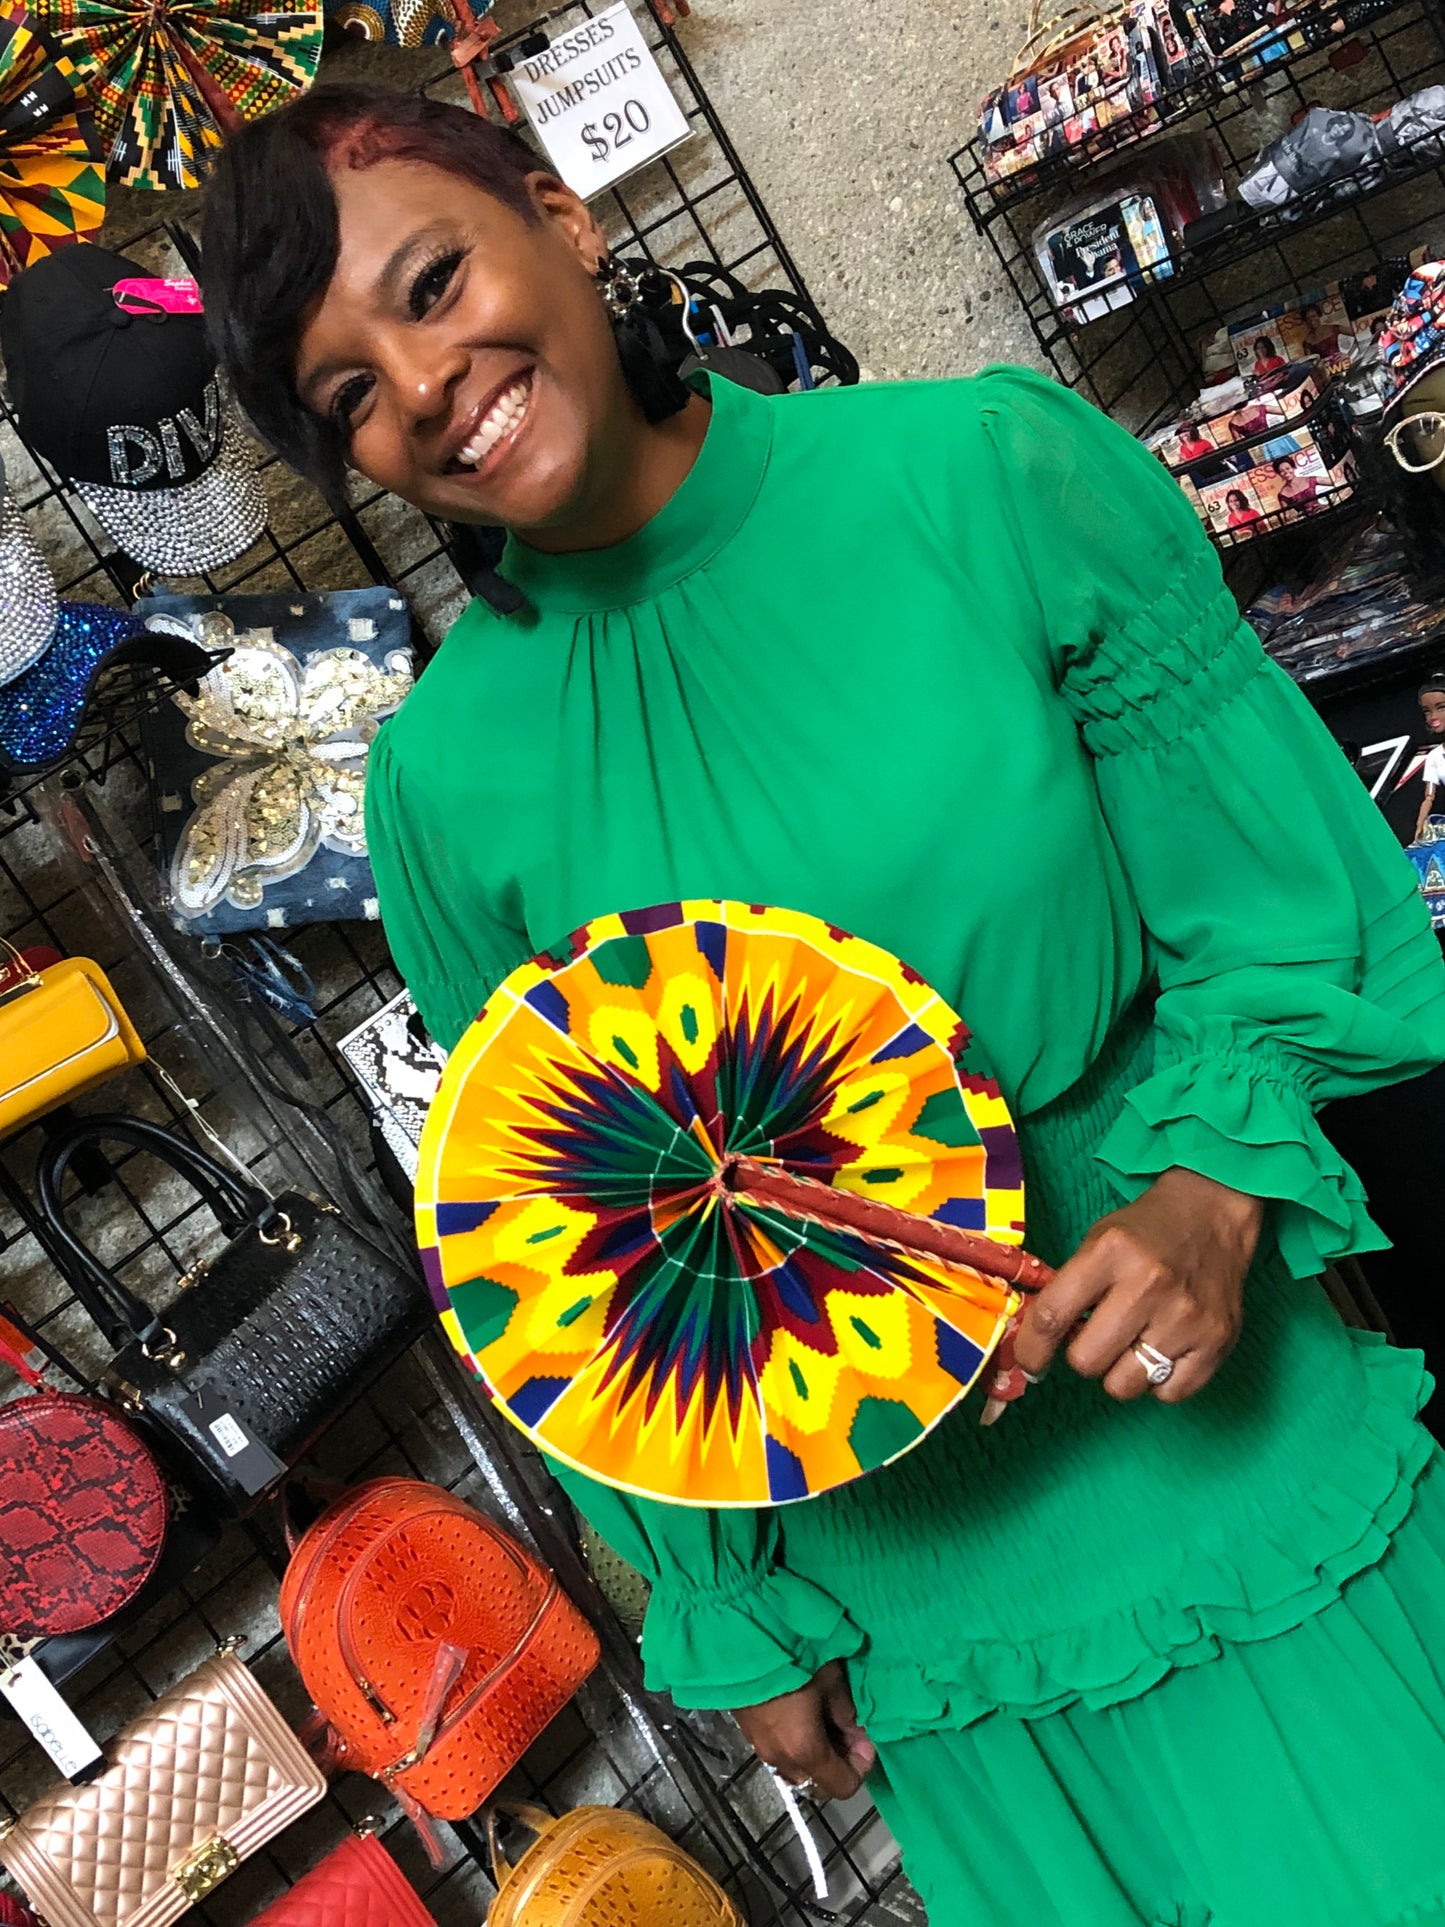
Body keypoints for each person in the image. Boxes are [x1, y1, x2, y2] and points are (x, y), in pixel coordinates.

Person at [202, 84, 1445, 1927]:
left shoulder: (979, 476)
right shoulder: (444, 787)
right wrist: (726, 1601)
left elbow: (1272, 900)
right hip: (913, 1588)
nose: (426, 383)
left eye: (436, 277)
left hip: (1227, 1444)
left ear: (569, 214)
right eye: (350, 395)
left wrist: (1209, 1190)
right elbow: (574, 1248)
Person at [1413, 672, 1445, 842]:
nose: (1433, 717)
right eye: (1427, 711)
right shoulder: (1435, 757)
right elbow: (1429, 796)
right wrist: (1420, 823)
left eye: (1441, 707)